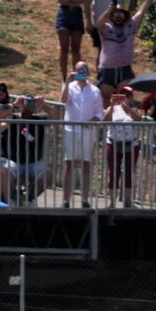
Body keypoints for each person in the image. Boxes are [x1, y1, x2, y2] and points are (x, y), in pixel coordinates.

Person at [95, 0, 155, 103]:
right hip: (108, 68)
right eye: (115, 13)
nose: (118, 16)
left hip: (124, 67)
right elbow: (99, 24)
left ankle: (122, 120)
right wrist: (108, 10)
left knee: (125, 97)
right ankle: (107, 121)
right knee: (106, 98)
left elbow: (141, 12)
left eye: (121, 13)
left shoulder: (130, 25)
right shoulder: (106, 28)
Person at [59, 61, 102, 207]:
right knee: (69, 164)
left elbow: (99, 113)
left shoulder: (95, 90)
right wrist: (67, 80)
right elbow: (64, 100)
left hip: (87, 131)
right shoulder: (69, 87)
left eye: (84, 70)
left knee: (86, 164)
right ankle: (66, 200)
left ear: (88, 72)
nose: (82, 72)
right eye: (79, 70)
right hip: (71, 130)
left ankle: (84, 199)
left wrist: (92, 121)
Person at [102, 86, 144, 208]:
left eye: (127, 95)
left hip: (131, 144)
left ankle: (127, 200)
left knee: (129, 172)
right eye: (122, 95)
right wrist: (111, 105)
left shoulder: (135, 109)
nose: (124, 97)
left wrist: (128, 109)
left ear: (131, 97)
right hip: (113, 143)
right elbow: (104, 121)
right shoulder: (112, 109)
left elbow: (138, 120)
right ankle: (112, 201)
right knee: (113, 172)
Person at [53, 0, 87, 82]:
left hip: (76, 14)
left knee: (76, 49)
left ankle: (77, 77)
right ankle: (64, 77)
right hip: (65, 14)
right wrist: (75, 2)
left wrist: (70, 1)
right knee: (64, 48)